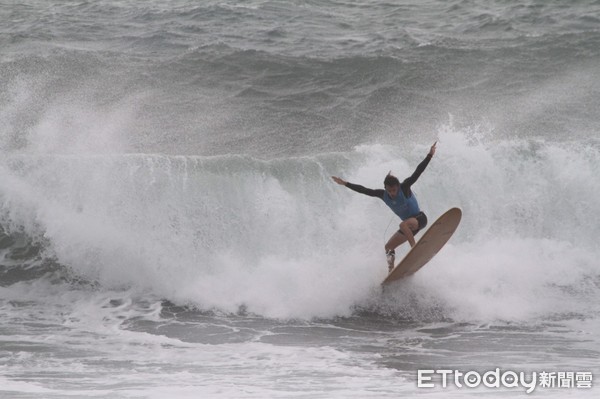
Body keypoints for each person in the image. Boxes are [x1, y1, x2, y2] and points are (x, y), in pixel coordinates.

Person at [332, 142, 437, 272]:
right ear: (385, 188)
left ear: (398, 186)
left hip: (419, 219)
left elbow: (418, 172)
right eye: (389, 191)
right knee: (388, 247)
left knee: (403, 225)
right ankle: (391, 270)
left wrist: (429, 155)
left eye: (394, 190)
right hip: (410, 229)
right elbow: (364, 190)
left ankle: (414, 249)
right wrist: (345, 183)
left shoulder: (404, 188)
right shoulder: (383, 195)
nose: (392, 193)